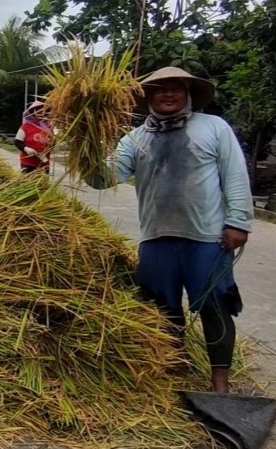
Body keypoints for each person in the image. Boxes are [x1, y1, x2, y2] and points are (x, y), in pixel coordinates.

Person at [85, 67, 253, 393]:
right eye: (159, 89)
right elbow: (105, 178)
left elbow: (235, 175)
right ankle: (174, 368)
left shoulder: (213, 127)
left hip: (206, 238)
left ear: (188, 93)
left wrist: (238, 223)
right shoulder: (135, 138)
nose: (168, 94)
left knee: (215, 306)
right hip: (156, 237)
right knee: (161, 309)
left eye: (176, 88)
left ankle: (220, 384)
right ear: (149, 97)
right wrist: (87, 149)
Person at [14, 100, 53, 173]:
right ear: (32, 112)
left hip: (44, 162)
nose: (41, 113)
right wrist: (26, 149)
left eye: (43, 111)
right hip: (28, 162)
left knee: (42, 183)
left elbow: (52, 143)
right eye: (38, 110)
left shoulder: (48, 127)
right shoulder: (26, 126)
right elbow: (17, 142)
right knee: (28, 182)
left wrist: (47, 150)